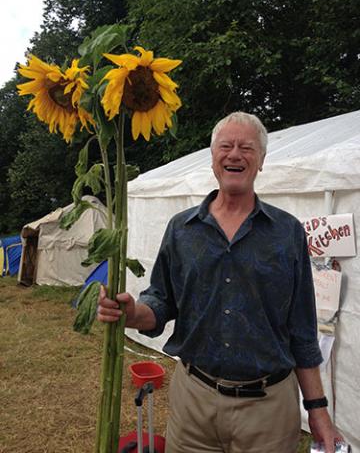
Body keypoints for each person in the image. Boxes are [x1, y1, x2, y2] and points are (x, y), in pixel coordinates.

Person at [98, 111, 341, 453]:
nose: (235, 154)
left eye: (247, 147)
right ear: (213, 158)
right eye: (226, 146)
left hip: (268, 410)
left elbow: (302, 328)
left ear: (261, 160)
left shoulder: (286, 233)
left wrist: (317, 410)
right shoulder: (182, 230)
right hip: (194, 403)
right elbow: (161, 301)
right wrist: (133, 313)